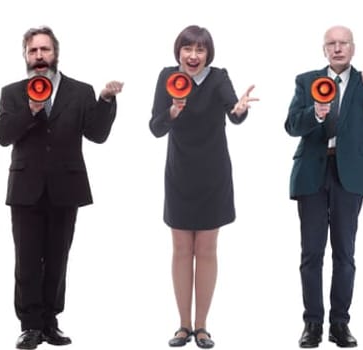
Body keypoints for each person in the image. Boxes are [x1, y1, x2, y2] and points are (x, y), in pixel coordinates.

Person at [0, 25, 122, 350]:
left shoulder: (80, 91)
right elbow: (2, 136)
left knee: (57, 258)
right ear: (25, 55)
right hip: (26, 188)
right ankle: (29, 326)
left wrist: (106, 100)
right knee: (26, 259)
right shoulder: (12, 92)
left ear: (56, 53)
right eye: (33, 51)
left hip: (66, 186)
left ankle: (50, 322)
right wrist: (30, 110)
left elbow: (97, 134)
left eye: (45, 50)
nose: (39, 57)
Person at [150, 24, 256, 350]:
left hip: (213, 175)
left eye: (200, 50)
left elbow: (233, 111)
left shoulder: (218, 77)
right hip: (180, 173)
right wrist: (171, 111)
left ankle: (202, 327)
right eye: (188, 49)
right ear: (179, 51)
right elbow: (155, 127)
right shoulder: (168, 77)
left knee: (206, 250)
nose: (193, 56)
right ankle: (182, 326)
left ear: (208, 53)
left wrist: (240, 110)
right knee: (182, 250)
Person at [283, 25, 363, 349]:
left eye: (343, 43)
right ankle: (312, 324)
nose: (338, 48)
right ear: (324, 49)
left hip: (349, 175)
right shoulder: (306, 80)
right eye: (332, 44)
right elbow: (290, 125)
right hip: (313, 171)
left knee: (345, 253)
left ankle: (339, 325)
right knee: (311, 253)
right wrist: (314, 114)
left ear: (353, 48)